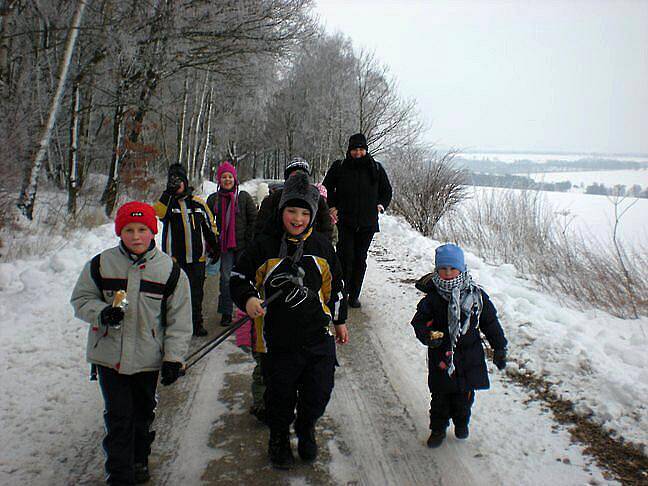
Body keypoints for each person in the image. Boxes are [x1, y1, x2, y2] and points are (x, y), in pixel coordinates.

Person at [230, 172, 348, 469]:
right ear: (281, 210)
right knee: (279, 398)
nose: (297, 218)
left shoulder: (322, 248)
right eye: (291, 211)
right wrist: (248, 298)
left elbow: (336, 288)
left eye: (304, 212)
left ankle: (306, 426)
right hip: (276, 340)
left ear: (312, 215)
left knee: (319, 391)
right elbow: (238, 278)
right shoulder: (263, 246)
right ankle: (279, 437)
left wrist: (339, 320)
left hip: (316, 338)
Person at [70, 201, 192, 485]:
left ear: (153, 231)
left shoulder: (170, 272)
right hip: (109, 358)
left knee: (142, 415)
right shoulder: (101, 264)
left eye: (142, 230)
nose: (135, 236)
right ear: (119, 232)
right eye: (128, 230)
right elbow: (81, 300)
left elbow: (179, 322)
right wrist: (101, 313)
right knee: (118, 418)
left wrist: (174, 358)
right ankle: (119, 474)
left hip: (147, 360)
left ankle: (139, 458)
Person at [410, 243, 508, 448]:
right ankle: (438, 429)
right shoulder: (433, 298)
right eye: (442, 269)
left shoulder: (475, 296)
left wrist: (499, 347)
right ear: (437, 270)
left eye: (452, 268)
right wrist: (428, 335)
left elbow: (490, 322)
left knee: (464, 399)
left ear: (461, 269)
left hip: (470, 358)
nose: (447, 273)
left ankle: (462, 422)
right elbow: (418, 322)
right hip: (442, 358)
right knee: (440, 399)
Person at [322, 133, 392, 308]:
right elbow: (326, 188)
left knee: (360, 259)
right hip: (345, 221)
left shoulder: (375, 168)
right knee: (345, 257)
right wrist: (332, 206)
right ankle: (339, 291)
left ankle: (354, 294)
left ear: (366, 150)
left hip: (368, 223)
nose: (358, 153)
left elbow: (386, 191)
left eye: (361, 149)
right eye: (355, 149)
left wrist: (381, 205)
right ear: (349, 150)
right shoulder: (340, 166)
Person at [154, 163, 219, 336]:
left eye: (179, 180)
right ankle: (172, 326)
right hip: (174, 260)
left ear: (185, 181)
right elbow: (158, 214)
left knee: (196, 294)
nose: (177, 184)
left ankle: (196, 323)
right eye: (172, 181)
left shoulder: (198, 203)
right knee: (173, 295)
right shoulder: (167, 204)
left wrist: (215, 244)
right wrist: (167, 193)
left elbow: (210, 224)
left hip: (197, 259)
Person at [206, 161, 257, 326]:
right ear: (219, 180)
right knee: (226, 280)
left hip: (243, 246)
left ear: (235, 179)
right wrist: (213, 242)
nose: (227, 180)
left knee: (245, 279)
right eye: (223, 177)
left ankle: (247, 309)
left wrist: (250, 242)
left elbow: (254, 220)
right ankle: (226, 312)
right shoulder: (213, 199)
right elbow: (207, 223)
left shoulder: (244, 197)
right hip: (225, 248)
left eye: (229, 176)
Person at [254, 157, 333, 241]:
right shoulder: (273, 198)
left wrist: (321, 244)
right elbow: (260, 227)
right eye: (294, 175)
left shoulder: (316, 199)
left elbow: (326, 226)